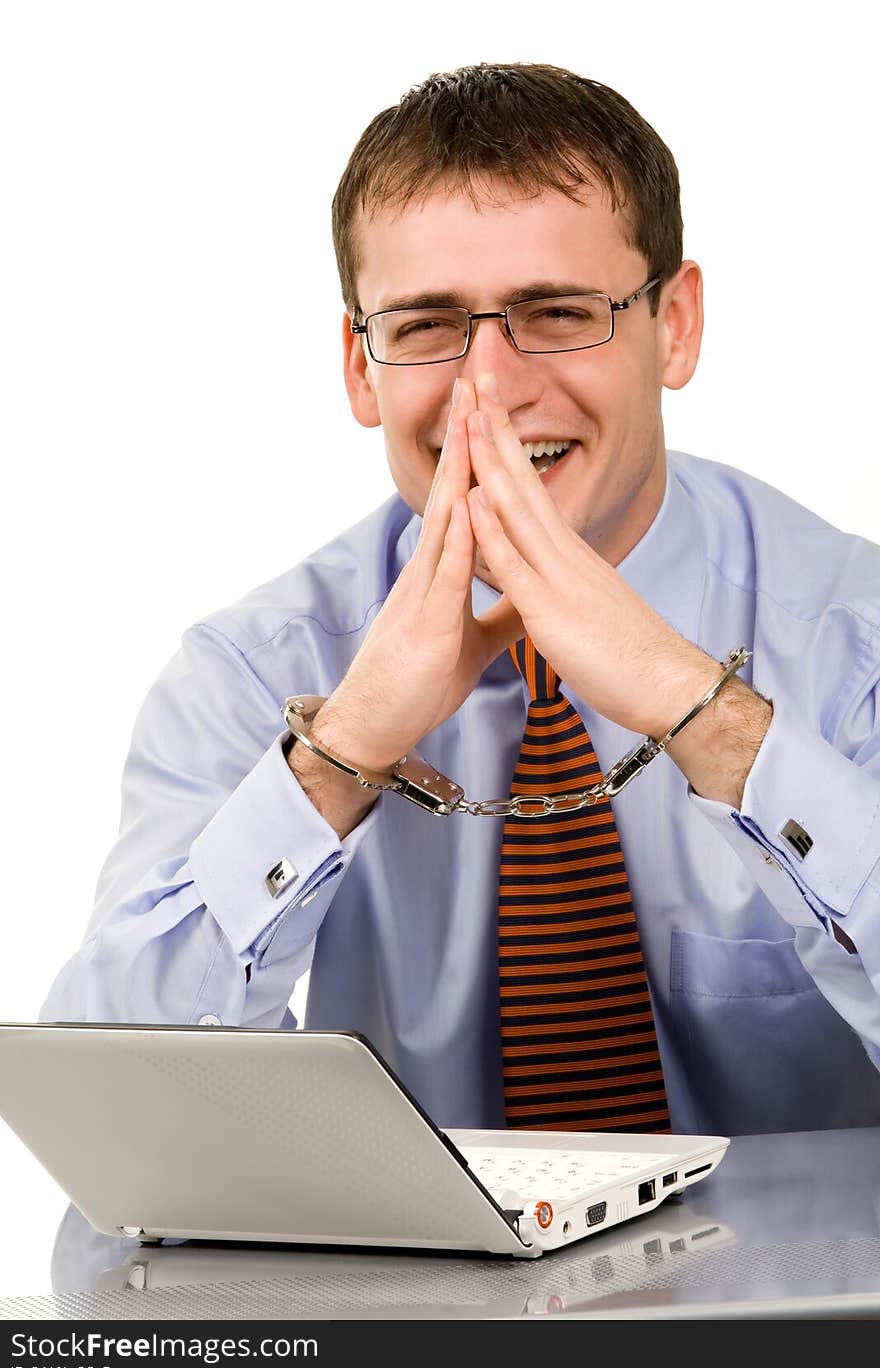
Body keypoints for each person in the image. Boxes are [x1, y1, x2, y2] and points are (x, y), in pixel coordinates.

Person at [41, 63, 880, 1137]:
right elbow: (111, 1126)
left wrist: (704, 716)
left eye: (558, 312)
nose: (486, 387)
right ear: (360, 366)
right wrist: (339, 756)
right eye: (429, 325)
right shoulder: (252, 672)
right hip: (426, 1312)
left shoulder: (852, 640)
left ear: (674, 325)